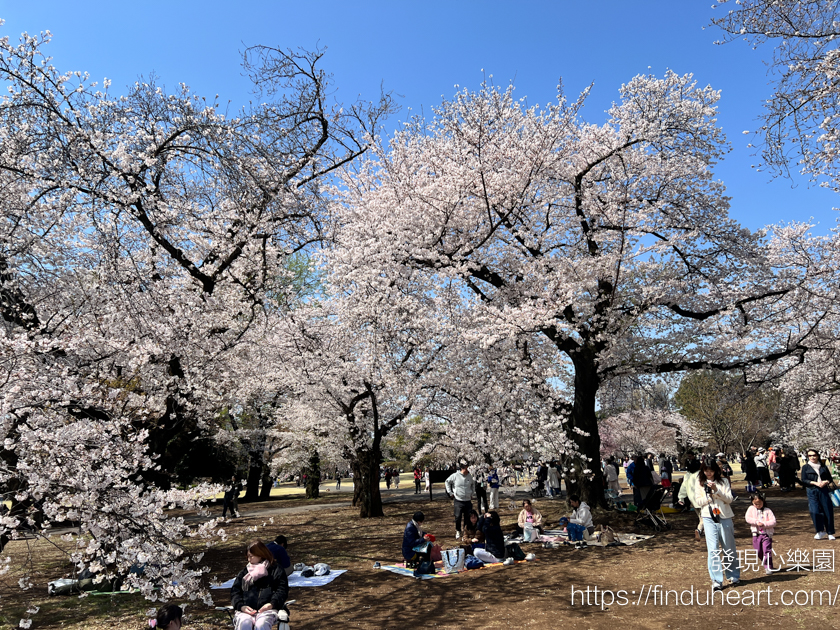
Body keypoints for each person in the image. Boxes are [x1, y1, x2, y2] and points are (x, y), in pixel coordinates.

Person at [691, 462, 740, 590]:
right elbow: (698, 501)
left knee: (728, 546)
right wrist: (708, 497)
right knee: (713, 550)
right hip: (708, 517)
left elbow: (729, 499)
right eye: (706, 470)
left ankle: (733, 575)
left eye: (711, 471)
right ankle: (717, 580)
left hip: (724, 516)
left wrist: (716, 491)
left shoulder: (723, 481)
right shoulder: (699, 482)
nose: (709, 473)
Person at [230, 540, 289, 630]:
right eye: (247, 556)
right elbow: (235, 592)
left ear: (260, 554)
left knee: (261, 625)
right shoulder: (245, 572)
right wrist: (241, 606)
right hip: (246, 611)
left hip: (268, 610)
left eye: (251, 556)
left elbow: (282, 590)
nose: (249, 559)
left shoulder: (276, 570)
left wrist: (272, 604)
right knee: (245, 624)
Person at [801, 449, 836, 540]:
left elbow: (830, 478)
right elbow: (804, 480)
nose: (812, 457)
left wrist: (826, 481)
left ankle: (830, 532)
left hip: (824, 490)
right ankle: (820, 531)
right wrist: (815, 483)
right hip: (812, 490)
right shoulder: (806, 467)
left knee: (827, 510)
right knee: (815, 511)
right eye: (810, 455)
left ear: (817, 456)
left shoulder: (823, 466)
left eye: (814, 455)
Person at [745, 492, 776, 574]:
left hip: (766, 534)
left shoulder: (767, 510)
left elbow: (773, 522)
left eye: (759, 503)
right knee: (758, 551)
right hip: (756, 534)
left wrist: (765, 524)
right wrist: (756, 522)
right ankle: (764, 561)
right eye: (755, 504)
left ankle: (768, 566)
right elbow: (747, 518)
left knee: (767, 550)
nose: (758, 505)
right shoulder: (751, 509)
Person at [445, 462, 475, 539]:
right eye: (467, 468)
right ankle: (458, 530)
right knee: (458, 516)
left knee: (467, 517)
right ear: (463, 468)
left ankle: (465, 532)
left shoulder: (470, 476)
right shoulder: (455, 475)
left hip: (468, 500)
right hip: (458, 500)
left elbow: (473, 485)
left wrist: (472, 493)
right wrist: (450, 492)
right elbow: (447, 482)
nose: (468, 470)